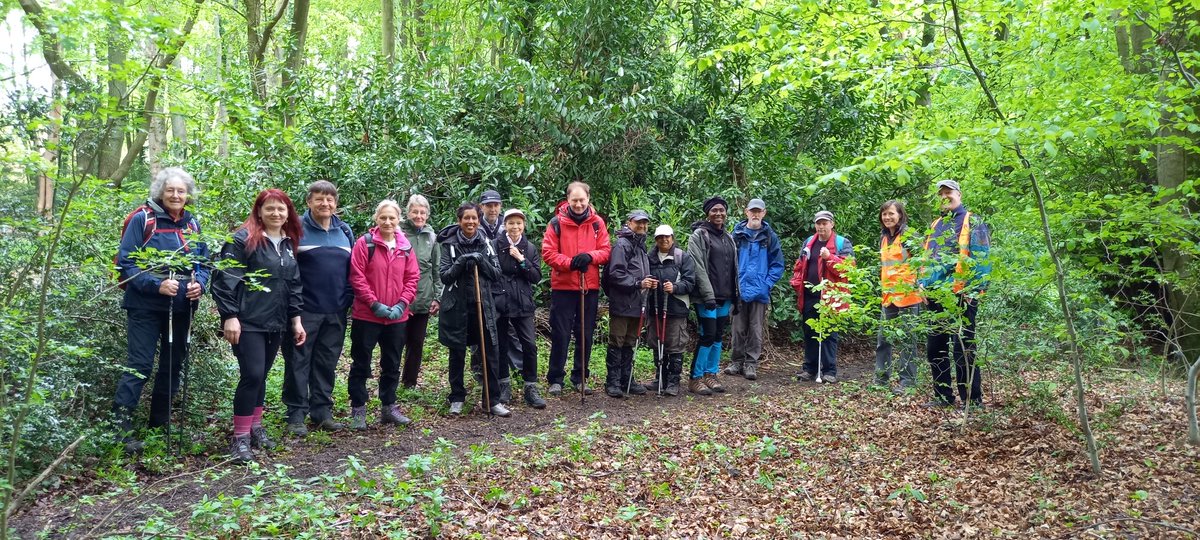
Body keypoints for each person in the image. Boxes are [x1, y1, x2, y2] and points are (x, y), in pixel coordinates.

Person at [112, 167, 210, 453]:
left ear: (188, 194)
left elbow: (203, 263)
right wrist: (156, 284)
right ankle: (120, 429)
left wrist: (200, 285)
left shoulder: (193, 224)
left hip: (182, 306)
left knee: (173, 365)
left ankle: (159, 424)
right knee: (139, 364)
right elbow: (125, 263)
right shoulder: (142, 219)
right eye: (171, 190)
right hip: (145, 305)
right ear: (160, 192)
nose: (176, 195)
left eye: (181, 191)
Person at [212, 189, 306, 464]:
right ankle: (240, 438)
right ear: (259, 211)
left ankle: (255, 426)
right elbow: (225, 278)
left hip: (275, 321)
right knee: (251, 374)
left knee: (262, 375)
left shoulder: (287, 243)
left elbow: (293, 284)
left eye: (281, 209)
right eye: (270, 209)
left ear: (288, 212)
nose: (276, 213)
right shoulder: (242, 240)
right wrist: (230, 316)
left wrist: (296, 320)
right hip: (247, 320)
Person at [280, 180, 354, 437]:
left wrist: (347, 298)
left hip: (335, 309)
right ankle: (296, 414)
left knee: (326, 361)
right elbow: (287, 271)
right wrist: (293, 310)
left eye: (330, 199)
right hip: (304, 310)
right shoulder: (295, 230)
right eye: (319, 199)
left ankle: (321, 411)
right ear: (308, 202)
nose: (325, 204)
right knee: (298, 361)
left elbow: (351, 270)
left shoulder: (344, 231)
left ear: (336, 203)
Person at [347, 200, 420, 430]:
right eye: (383, 218)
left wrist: (402, 303)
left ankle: (389, 407)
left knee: (392, 363)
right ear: (376, 219)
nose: (388, 222)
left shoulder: (405, 246)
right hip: (366, 316)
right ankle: (358, 409)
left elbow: (412, 278)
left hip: (397, 318)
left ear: (399, 219)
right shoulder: (364, 244)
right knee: (361, 363)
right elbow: (356, 276)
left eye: (392, 218)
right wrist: (373, 303)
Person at [919, 180, 991, 409]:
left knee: (964, 348)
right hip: (935, 295)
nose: (945, 196)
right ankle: (943, 397)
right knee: (935, 348)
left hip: (962, 294)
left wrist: (976, 288)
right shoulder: (936, 224)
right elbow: (926, 257)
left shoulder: (973, 221)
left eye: (948, 192)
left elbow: (982, 256)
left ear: (958, 194)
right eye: (941, 194)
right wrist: (921, 283)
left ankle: (972, 400)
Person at [438, 203, 509, 416]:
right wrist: (461, 262)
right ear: (459, 220)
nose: (470, 222)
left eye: (474, 218)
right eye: (466, 218)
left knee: (490, 353)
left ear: (479, 221)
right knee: (457, 352)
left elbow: (496, 273)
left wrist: (481, 261)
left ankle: (491, 400)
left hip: (484, 305)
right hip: (457, 307)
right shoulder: (449, 244)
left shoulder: (486, 242)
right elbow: (445, 275)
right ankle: (457, 398)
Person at [542, 182, 612, 396]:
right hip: (563, 286)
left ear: (588, 199)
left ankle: (580, 377)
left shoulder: (597, 223)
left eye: (582, 200)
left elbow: (606, 250)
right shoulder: (556, 223)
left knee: (585, 334)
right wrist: (571, 263)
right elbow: (548, 253)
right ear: (568, 200)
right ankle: (555, 378)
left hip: (588, 287)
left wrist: (590, 257)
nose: (579, 204)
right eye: (575, 200)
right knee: (561, 334)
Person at [789, 210, 854, 384]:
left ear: (832, 224)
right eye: (818, 223)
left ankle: (829, 371)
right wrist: (796, 283)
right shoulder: (809, 242)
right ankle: (809, 369)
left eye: (825, 223)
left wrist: (829, 258)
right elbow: (800, 265)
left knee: (829, 334)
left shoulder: (842, 243)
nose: (821, 226)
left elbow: (848, 269)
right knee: (809, 332)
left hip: (831, 296)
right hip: (809, 295)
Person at [492, 208, 546, 408]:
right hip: (501, 302)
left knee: (529, 345)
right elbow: (491, 272)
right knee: (502, 345)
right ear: (504, 225)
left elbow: (536, 277)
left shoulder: (529, 248)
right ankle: (504, 384)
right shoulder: (495, 246)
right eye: (511, 223)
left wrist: (521, 260)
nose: (515, 227)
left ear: (524, 225)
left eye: (519, 223)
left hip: (523, 303)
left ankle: (530, 386)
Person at [726, 198, 785, 381]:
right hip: (739, 290)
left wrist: (766, 284)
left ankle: (751, 364)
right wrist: (731, 284)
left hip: (760, 292)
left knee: (756, 329)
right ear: (746, 212)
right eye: (753, 211)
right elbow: (726, 261)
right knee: (737, 328)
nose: (755, 214)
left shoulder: (769, 236)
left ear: (764, 213)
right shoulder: (736, 234)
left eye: (759, 211)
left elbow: (778, 265)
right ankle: (736, 362)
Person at [686, 196, 738, 396]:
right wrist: (708, 295)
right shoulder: (698, 236)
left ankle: (711, 374)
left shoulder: (728, 237)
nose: (718, 213)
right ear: (707, 213)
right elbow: (697, 266)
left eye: (722, 210)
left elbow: (734, 268)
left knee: (717, 335)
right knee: (707, 334)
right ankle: (695, 378)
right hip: (706, 296)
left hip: (725, 296)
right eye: (714, 210)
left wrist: (736, 296)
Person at [602, 210, 655, 398]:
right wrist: (637, 283)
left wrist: (647, 281)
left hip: (638, 303)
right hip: (623, 302)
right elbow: (615, 274)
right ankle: (613, 382)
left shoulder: (640, 246)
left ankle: (627, 379)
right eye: (638, 222)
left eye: (645, 223)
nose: (642, 226)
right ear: (629, 222)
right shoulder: (622, 244)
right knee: (617, 340)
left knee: (630, 341)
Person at [875, 200, 922, 394]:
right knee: (883, 339)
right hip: (889, 297)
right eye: (884, 214)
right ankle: (881, 380)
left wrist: (922, 284)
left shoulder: (909, 236)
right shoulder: (884, 237)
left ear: (900, 215)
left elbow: (923, 262)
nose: (887, 217)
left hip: (909, 297)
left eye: (891, 214)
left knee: (907, 340)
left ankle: (907, 382)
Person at [643, 225, 697, 396]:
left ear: (672, 238)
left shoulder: (682, 257)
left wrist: (675, 287)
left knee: (675, 345)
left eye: (667, 237)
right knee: (657, 343)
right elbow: (642, 276)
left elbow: (690, 282)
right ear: (655, 239)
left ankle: (673, 381)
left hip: (676, 308)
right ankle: (660, 378)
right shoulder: (649, 258)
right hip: (655, 308)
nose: (664, 240)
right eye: (660, 237)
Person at [399, 194, 442, 389]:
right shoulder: (398, 233)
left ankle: (409, 383)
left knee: (416, 343)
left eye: (422, 212)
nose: (418, 216)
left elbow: (436, 269)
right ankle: (389, 382)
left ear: (427, 215)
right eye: (415, 212)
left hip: (423, 296)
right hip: (399, 298)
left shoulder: (432, 237)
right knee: (395, 342)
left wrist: (437, 297)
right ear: (408, 213)